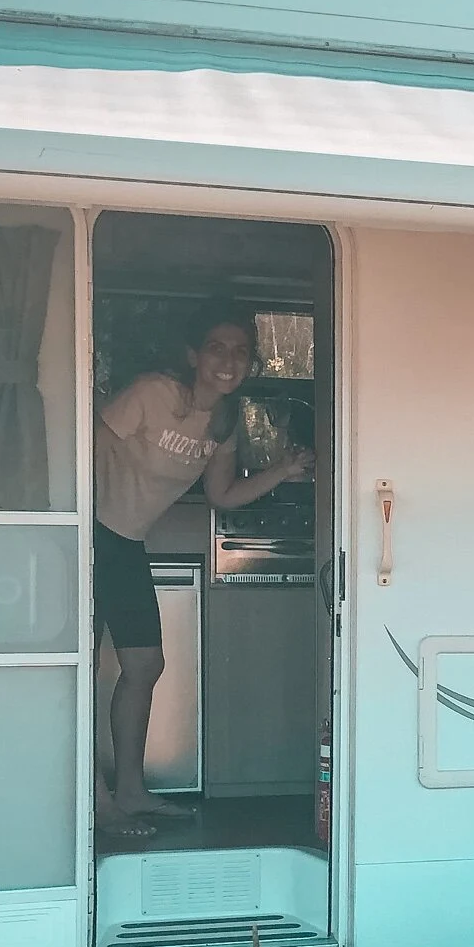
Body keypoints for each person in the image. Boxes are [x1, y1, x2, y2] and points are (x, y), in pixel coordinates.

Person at [94, 301, 311, 829]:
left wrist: (283, 469)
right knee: (77, 671)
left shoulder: (222, 421)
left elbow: (223, 495)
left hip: (126, 543)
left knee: (144, 665)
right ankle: (96, 803)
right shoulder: (155, 392)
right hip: (92, 535)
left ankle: (130, 792)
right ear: (193, 354)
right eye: (217, 347)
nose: (228, 360)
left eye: (240, 352)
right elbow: (87, 443)